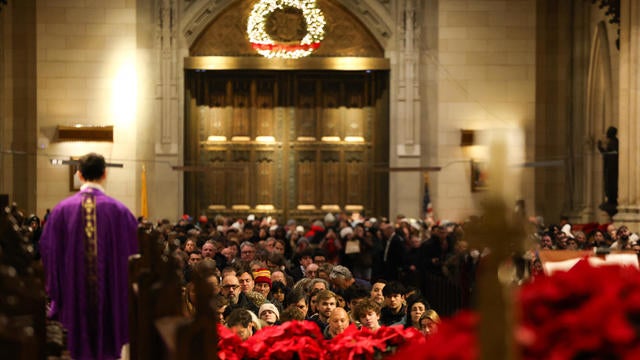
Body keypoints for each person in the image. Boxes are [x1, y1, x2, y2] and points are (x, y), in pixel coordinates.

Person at [39, 153, 139, 360]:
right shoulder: (121, 212)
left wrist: (58, 290)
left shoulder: (61, 211)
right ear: (105, 174)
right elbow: (135, 257)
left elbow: (48, 251)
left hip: (74, 296)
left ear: (79, 174)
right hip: (110, 299)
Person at [597, 126, 619, 216]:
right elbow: (608, 154)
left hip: (612, 168)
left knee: (611, 184)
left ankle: (612, 199)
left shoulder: (615, 142)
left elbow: (613, 154)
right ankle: (610, 199)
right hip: (609, 168)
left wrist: (603, 150)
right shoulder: (612, 142)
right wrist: (601, 149)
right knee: (608, 184)